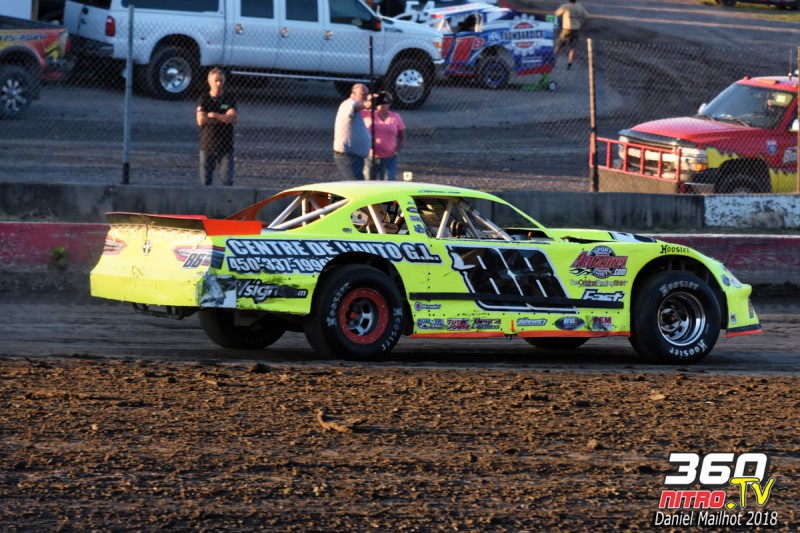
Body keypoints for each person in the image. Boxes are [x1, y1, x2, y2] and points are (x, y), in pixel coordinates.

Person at [196, 67, 238, 186]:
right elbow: (201, 120)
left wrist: (213, 115)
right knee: (205, 181)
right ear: (209, 82)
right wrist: (223, 118)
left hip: (226, 147)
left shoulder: (229, 98)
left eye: (221, 81)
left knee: (227, 180)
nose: (219, 84)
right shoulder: (204, 99)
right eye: (216, 81)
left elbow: (232, 118)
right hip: (207, 145)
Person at [361, 91, 406, 181]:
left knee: (388, 182)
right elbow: (358, 107)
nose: (381, 105)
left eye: (384, 102)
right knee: (369, 183)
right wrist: (369, 99)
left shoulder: (395, 117)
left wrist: (397, 151)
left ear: (389, 104)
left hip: (389, 157)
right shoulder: (368, 114)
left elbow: (402, 136)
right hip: (370, 156)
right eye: (379, 102)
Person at [333, 83, 372, 180]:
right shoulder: (347, 104)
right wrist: (369, 103)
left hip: (356, 157)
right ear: (353, 94)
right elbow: (357, 106)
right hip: (347, 157)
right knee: (356, 184)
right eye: (362, 94)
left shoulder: (356, 108)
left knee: (356, 183)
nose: (365, 97)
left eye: (367, 94)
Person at [554, 0, 590, 70]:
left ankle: (553, 61)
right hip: (575, 30)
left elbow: (557, 14)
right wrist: (581, 25)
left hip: (566, 29)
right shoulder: (580, 7)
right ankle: (569, 64)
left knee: (559, 45)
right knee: (572, 48)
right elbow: (588, 17)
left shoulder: (565, 7)